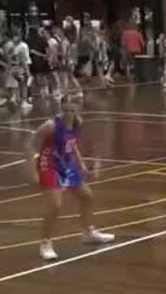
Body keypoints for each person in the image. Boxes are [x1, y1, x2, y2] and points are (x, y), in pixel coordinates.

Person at [26, 96, 115, 261]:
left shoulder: (77, 123)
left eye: (72, 110)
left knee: (87, 196)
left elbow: (71, 143)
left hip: (67, 164)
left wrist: (80, 163)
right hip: (49, 164)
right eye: (65, 110)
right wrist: (33, 171)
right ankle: (45, 243)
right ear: (61, 109)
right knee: (55, 206)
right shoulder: (51, 126)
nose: (68, 113)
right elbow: (31, 145)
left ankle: (88, 233)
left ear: (78, 110)